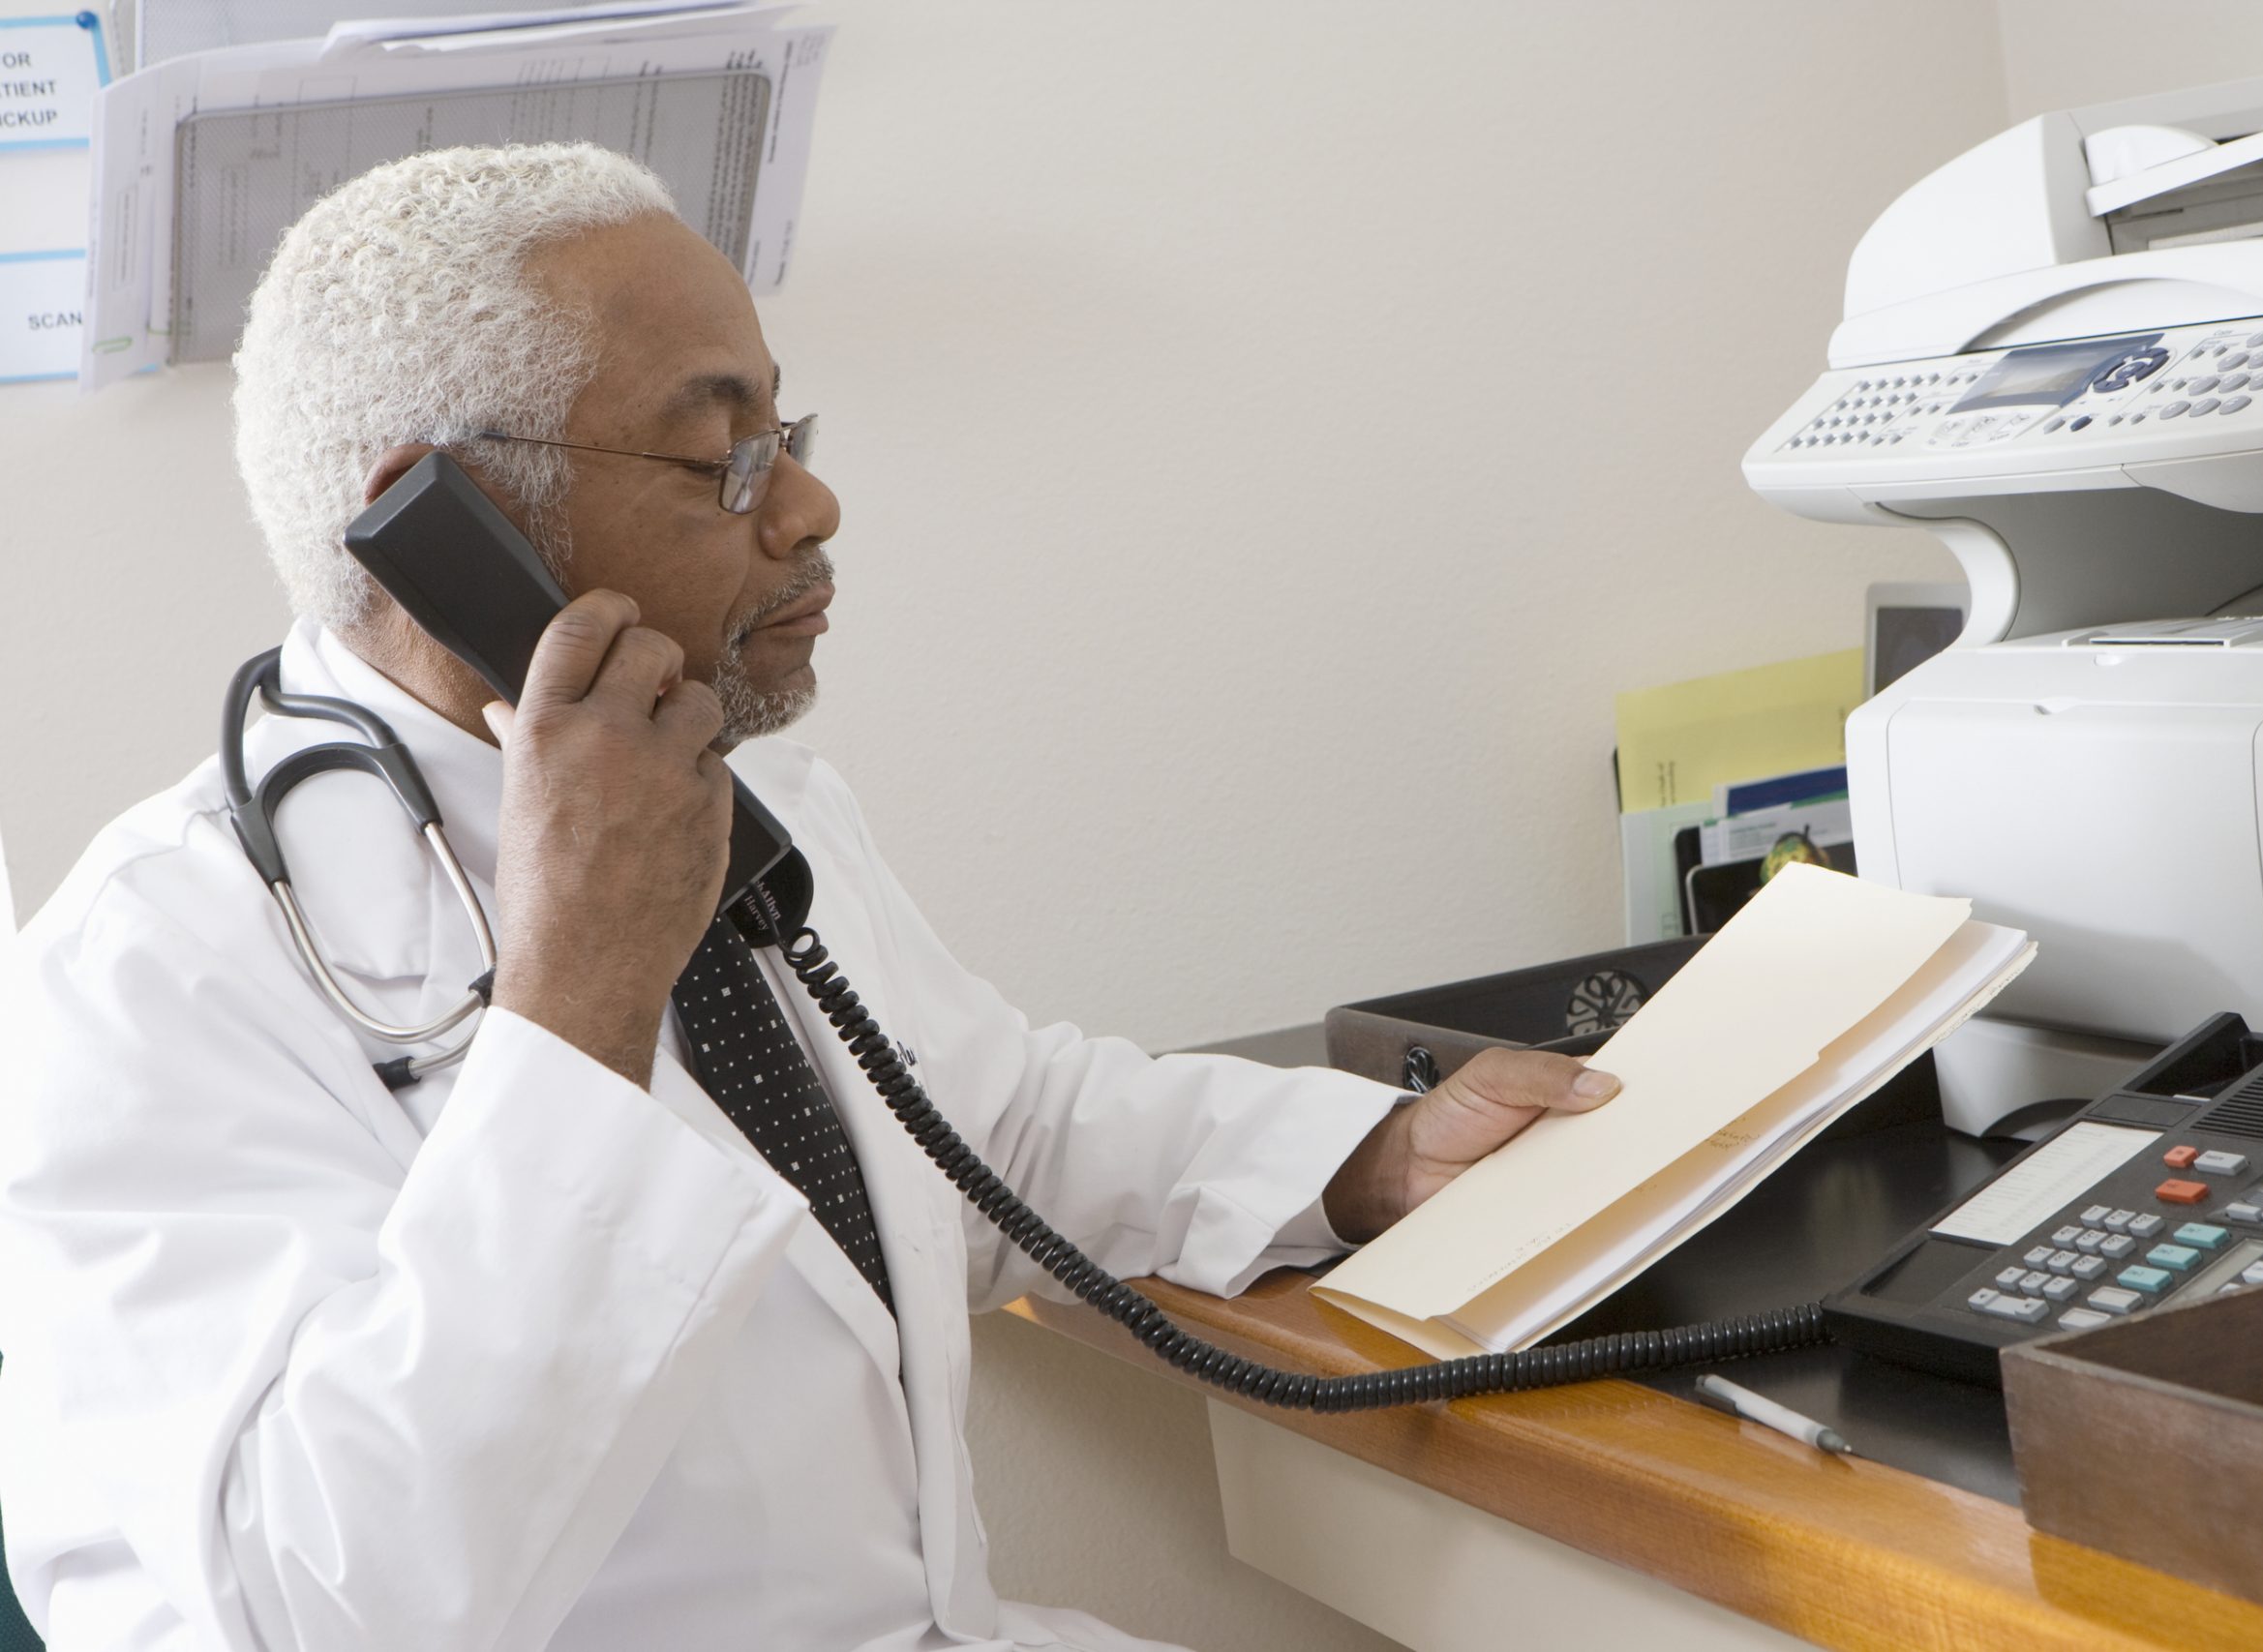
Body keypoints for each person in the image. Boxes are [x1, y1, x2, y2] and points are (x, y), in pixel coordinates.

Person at [0, 144, 1620, 1652]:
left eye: (791, 437)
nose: (807, 510)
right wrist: (576, 1009)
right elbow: (312, 1609)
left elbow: (988, 1130)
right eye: (722, 455)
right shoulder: (148, 974)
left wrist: (1366, 1158)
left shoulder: (733, 802)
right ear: (443, 519)